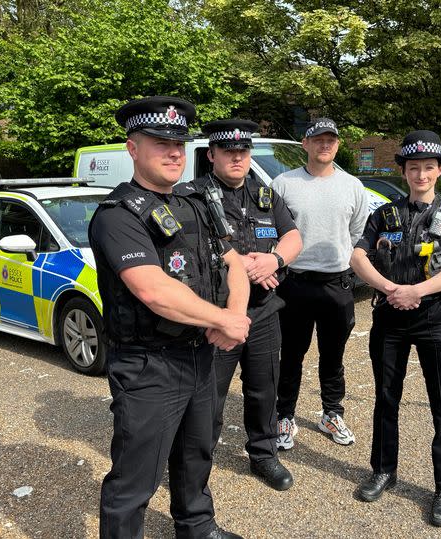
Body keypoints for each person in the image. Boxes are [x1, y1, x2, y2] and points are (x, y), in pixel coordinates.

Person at [89, 96, 251, 539]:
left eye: (179, 143)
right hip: (148, 365)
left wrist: (232, 316)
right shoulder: (118, 215)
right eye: (160, 142)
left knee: (196, 453)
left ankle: (196, 527)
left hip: (199, 354)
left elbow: (235, 263)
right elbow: (153, 290)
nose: (174, 151)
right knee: (135, 475)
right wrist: (220, 319)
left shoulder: (195, 203)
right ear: (132, 148)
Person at [349, 130, 441, 527]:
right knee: (386, 398)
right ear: (403, 171)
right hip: (389, 317)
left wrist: (416, 291)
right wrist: (390, 288)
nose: (421, 174)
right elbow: (357, 256)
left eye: (428, 167)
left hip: (434, 318)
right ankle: (384, 470)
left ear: (439, 170)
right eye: (413, 167)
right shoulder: (384, 215)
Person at [176, 119, 303, 491]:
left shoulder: (265, 194)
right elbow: (187, 248)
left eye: (243, 151)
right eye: (228, 152)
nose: (237, 158)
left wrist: (274, 261)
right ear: (211, 154)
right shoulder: (191, 196)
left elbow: (293, 236)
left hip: (263, 313)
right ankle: (197, 466)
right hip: (216, 314)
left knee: (264, 389)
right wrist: (245, 265)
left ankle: (263, 454)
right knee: (208, 396)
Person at [271, 118, 369, 449]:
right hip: (294, 283)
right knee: (291, 354)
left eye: (331, 140)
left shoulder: (353, 185)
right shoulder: (283, 183)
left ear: (338, 145)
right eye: (318, 139)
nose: (324, 145)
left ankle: (331, 412)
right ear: (305, 144)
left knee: (333, 355)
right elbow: (274, 230)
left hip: (337, 284)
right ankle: (285, 415)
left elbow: (357, 233)